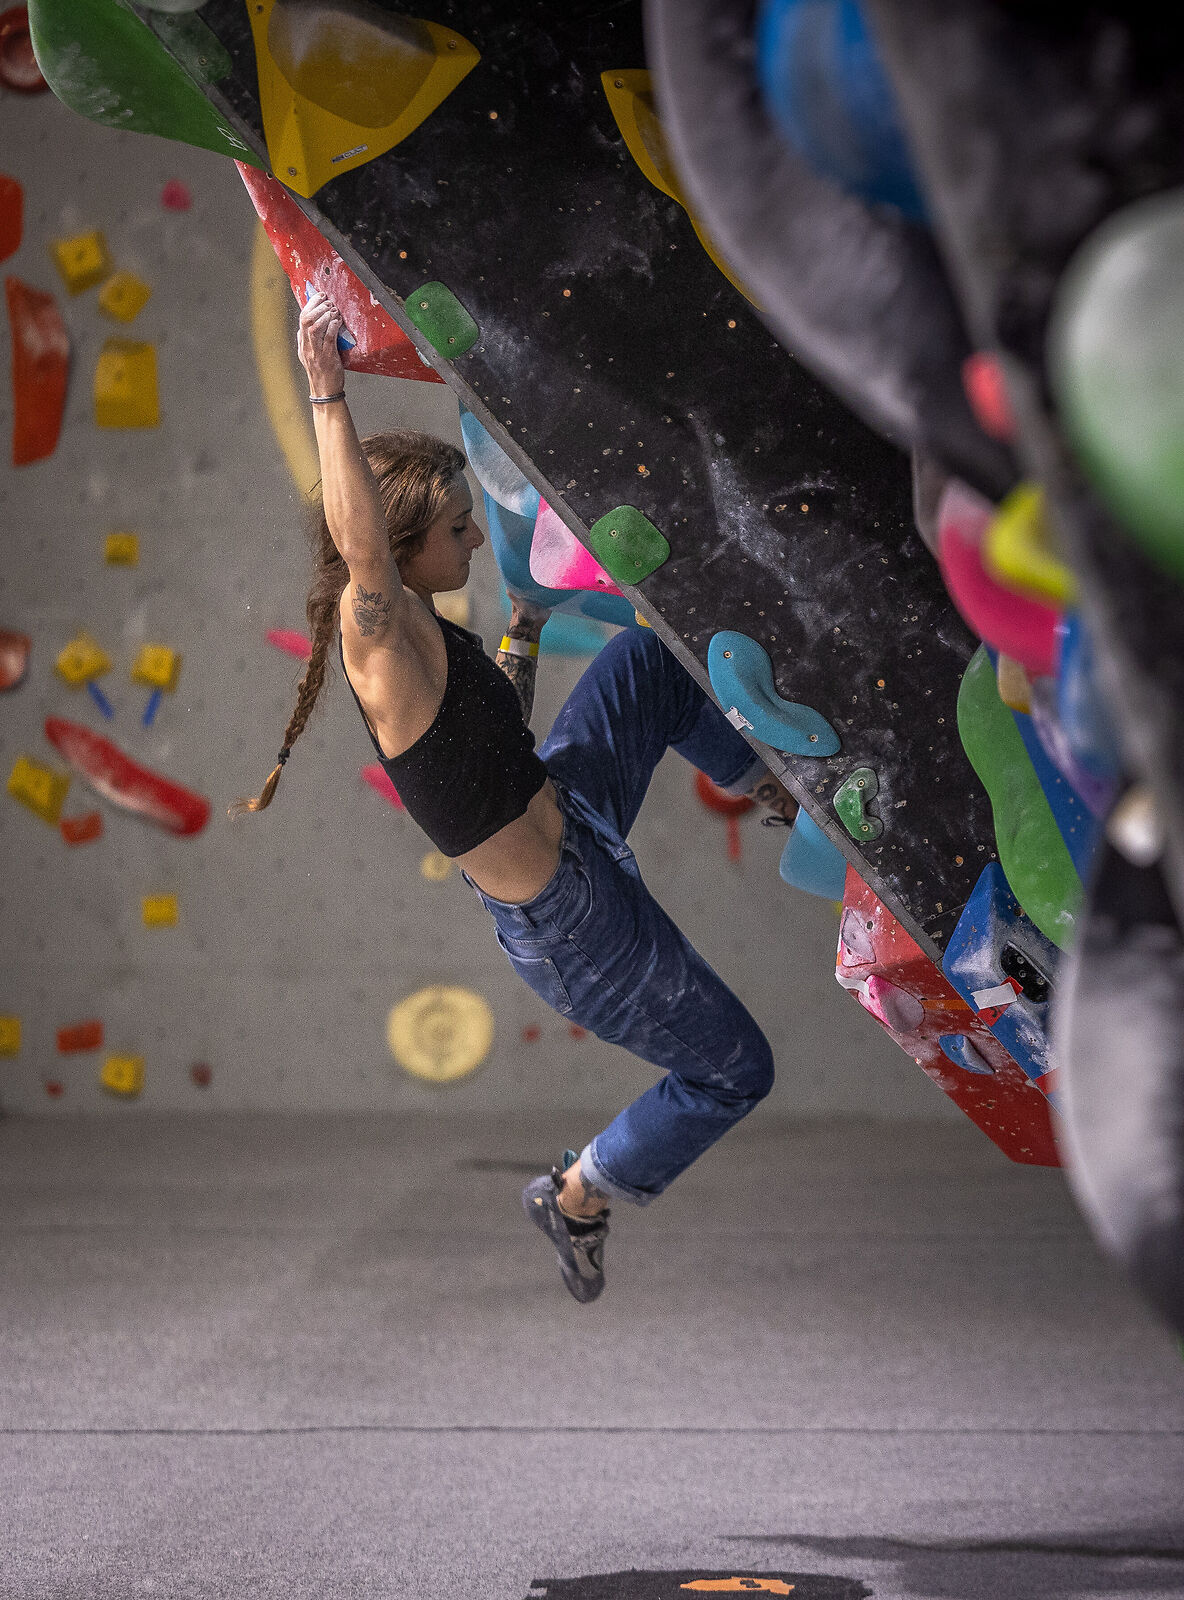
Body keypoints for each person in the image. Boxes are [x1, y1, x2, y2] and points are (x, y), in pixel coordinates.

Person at [239, 287, 792, 1303]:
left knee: (643, 664)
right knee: (734, 1070)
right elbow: (361, 550)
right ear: (402, 552)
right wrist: (328, 391)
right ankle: (580, 1191)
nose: (477, 542)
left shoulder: (431, 631)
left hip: (569, 813)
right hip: (572, 924)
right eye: (458, 528)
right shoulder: (382, 640)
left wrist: (526, 630)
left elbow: (493, 741)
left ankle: (775, 785)